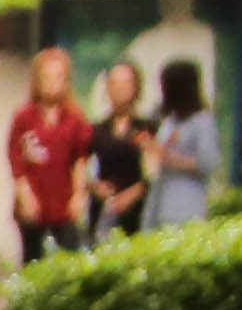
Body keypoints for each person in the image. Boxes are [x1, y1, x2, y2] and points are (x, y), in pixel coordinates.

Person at [4, 65, 89, 260]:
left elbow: (80, 158)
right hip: (33, 199)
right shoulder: (23, 116)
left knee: (71, 255)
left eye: (57, 77)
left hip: (64, 200)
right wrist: (24, 195)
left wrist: (79, 194)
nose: (51, 83)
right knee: (32, 257)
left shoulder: (75, 117)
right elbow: (15, 160)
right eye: (46, 77)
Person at [80, 58, 152, 243]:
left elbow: (155, 173)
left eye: (125, 83)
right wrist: (95, 186)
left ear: (136, 87)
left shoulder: (148, 127)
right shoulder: (96, 129)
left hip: (139, 211)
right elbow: (79, 166)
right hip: (104, 209)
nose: (120, 89)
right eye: (114, 83)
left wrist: (133, 194)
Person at [147, 55, 223, 228]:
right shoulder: (169, 122)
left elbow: (209, 162)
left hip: (188, 206)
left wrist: (171, 159)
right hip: (162, 201)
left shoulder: (202, 122)